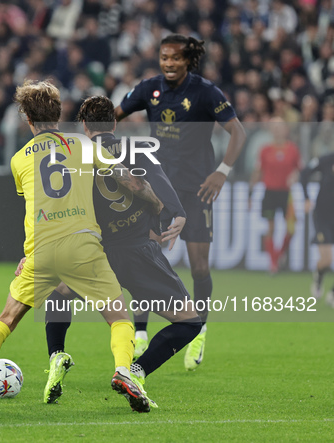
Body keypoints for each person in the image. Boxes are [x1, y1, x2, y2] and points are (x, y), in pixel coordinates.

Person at [0, 80, 164, 412]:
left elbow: (36, 206)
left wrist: (28, 253)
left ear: (27, 119)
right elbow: (130, 181)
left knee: (6, 318)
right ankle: (123, 371)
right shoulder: (83, 144)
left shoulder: (19, 160)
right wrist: (155, 203)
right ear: (60, 112)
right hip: (82, 245)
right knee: (119, 316)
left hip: (42, 251)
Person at [29, 95, 202, 406]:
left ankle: (56, 355)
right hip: (137, 250)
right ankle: (136, 370)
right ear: (114, 123)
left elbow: (56, 201)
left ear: (83, 125)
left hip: (93, 251)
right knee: (189, 321)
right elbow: (160, 190)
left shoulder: (75, 152)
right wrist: (176, 214)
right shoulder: (136, 149)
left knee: (60, 291)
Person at [114, 34, 247, 370]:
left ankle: (198, 327)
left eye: (175, 58)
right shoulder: (149, 88)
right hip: (156, 188)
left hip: (197, 189)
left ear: (189, 60)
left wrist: (222, 172)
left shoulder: (206, 92)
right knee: (145, 255)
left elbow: (238, 132)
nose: (169, 64)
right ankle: (141, 332)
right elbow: (114, 114)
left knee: (199, 266)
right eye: (164, 57)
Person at [248, 118, 302, 274]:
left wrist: (295, 175)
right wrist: (250, 195)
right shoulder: (265, 150)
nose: (277, 130)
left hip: (287, 194)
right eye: (274, 127)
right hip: (270, 193)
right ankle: (273, 264)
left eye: (280, 127)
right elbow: (257, 172)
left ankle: (279, 255)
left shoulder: (293, 150)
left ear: (286, 129)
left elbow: (300, 170)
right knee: (270, 227)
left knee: (291, 229)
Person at [300, 152, 334, 307]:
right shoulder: (327, 159)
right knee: (326, 259)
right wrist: (306, 197)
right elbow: (305, 173)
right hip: (323, 215)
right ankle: (319, 277)